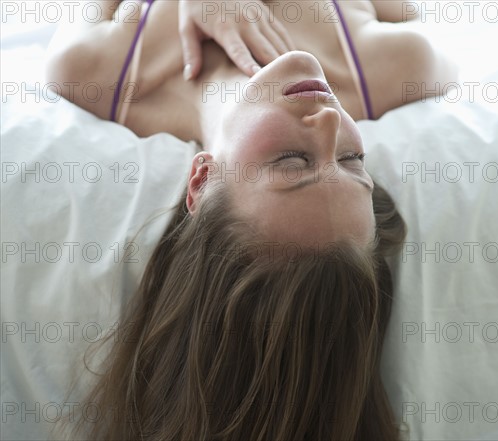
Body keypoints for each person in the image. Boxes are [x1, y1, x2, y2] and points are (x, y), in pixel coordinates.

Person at [45, 1, 456, 439]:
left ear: (201, 181)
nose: (331, 121)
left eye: (293, 161)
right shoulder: (398, 68)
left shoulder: (93, 74)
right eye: (352, 159)